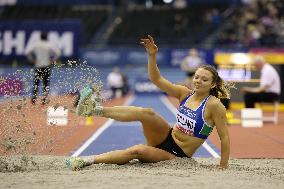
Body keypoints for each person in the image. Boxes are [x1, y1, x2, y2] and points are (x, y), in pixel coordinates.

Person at [67, 35, 231, 171]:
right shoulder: (184, 93)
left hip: (177, 153)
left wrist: (223, 166)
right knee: (147, 113)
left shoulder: (214, 106)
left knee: (137, 150)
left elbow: (224, 138)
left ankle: (87, 160)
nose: (198, 81)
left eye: (204, 79)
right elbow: (156, 79)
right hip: (166, 135)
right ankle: (95, 110)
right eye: (196, 77)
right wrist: (152, 55)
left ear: (213, 84)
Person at [26, 32, 61, 105]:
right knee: (46, 84)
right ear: (47, 37)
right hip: (46, 66)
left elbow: (27, 51)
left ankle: (34, 99)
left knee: (36, 83)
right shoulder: (49, 45)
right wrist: (53, 60)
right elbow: (58, 53)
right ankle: (44, 99)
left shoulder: (36, 44)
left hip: (38, 65)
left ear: (40, 37)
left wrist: (32, 60)